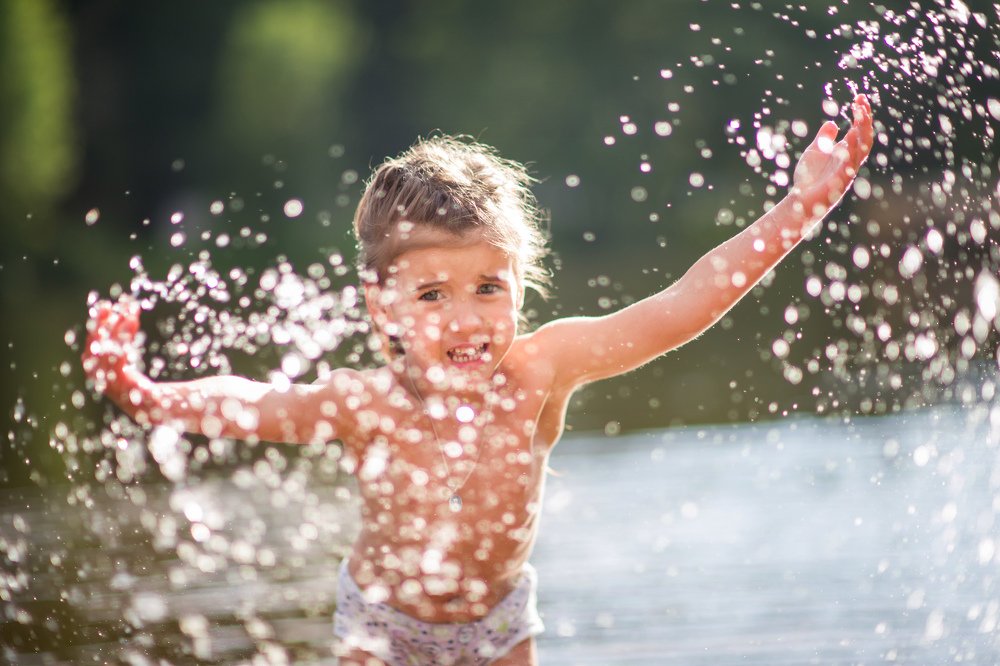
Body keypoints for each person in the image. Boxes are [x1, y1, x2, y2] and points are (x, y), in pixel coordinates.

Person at [83, 94, 873, 665]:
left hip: (498, 626)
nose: (466, 320)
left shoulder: (541, 369)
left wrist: (799, 208)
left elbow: (682, 304)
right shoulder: (365, 403)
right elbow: (253, 402)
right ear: (383, 306)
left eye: (489, 288)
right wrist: (144, 393)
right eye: (432, 295)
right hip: (383, 629)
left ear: (521, 284)